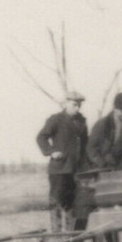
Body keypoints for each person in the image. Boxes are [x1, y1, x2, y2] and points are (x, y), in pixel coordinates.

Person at [35, 90, 89, 232]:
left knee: (72, 205)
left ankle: (70, 237)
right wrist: (51, 152)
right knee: (57, 204)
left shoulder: (82, 121)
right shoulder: (56, 119)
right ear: (66, 104)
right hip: (59, 170)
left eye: (79, 105)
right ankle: (57, 237)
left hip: (74, 170)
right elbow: (41, 137)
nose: (77, 108)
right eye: (74, 105)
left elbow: (85, 144)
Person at [88, 92, 122, 169]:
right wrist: (101, 162)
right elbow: (91, 148)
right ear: (114, 108)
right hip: (105, 167)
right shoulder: (102, 124)